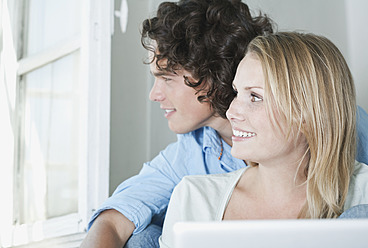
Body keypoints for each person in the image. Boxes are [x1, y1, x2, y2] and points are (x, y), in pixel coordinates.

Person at [80, 0, 368, 247]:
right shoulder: (189, 158)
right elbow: (115, 219)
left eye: (167, 78)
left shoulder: (345, 126)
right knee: (143, 236)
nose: (154, 95)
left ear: (212, 74)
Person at [158, 32, 368, 248]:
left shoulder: (363, 194)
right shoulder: (194, 198)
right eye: (237, 93)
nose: (231, 112)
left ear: (308, 114)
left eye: (255, 97)